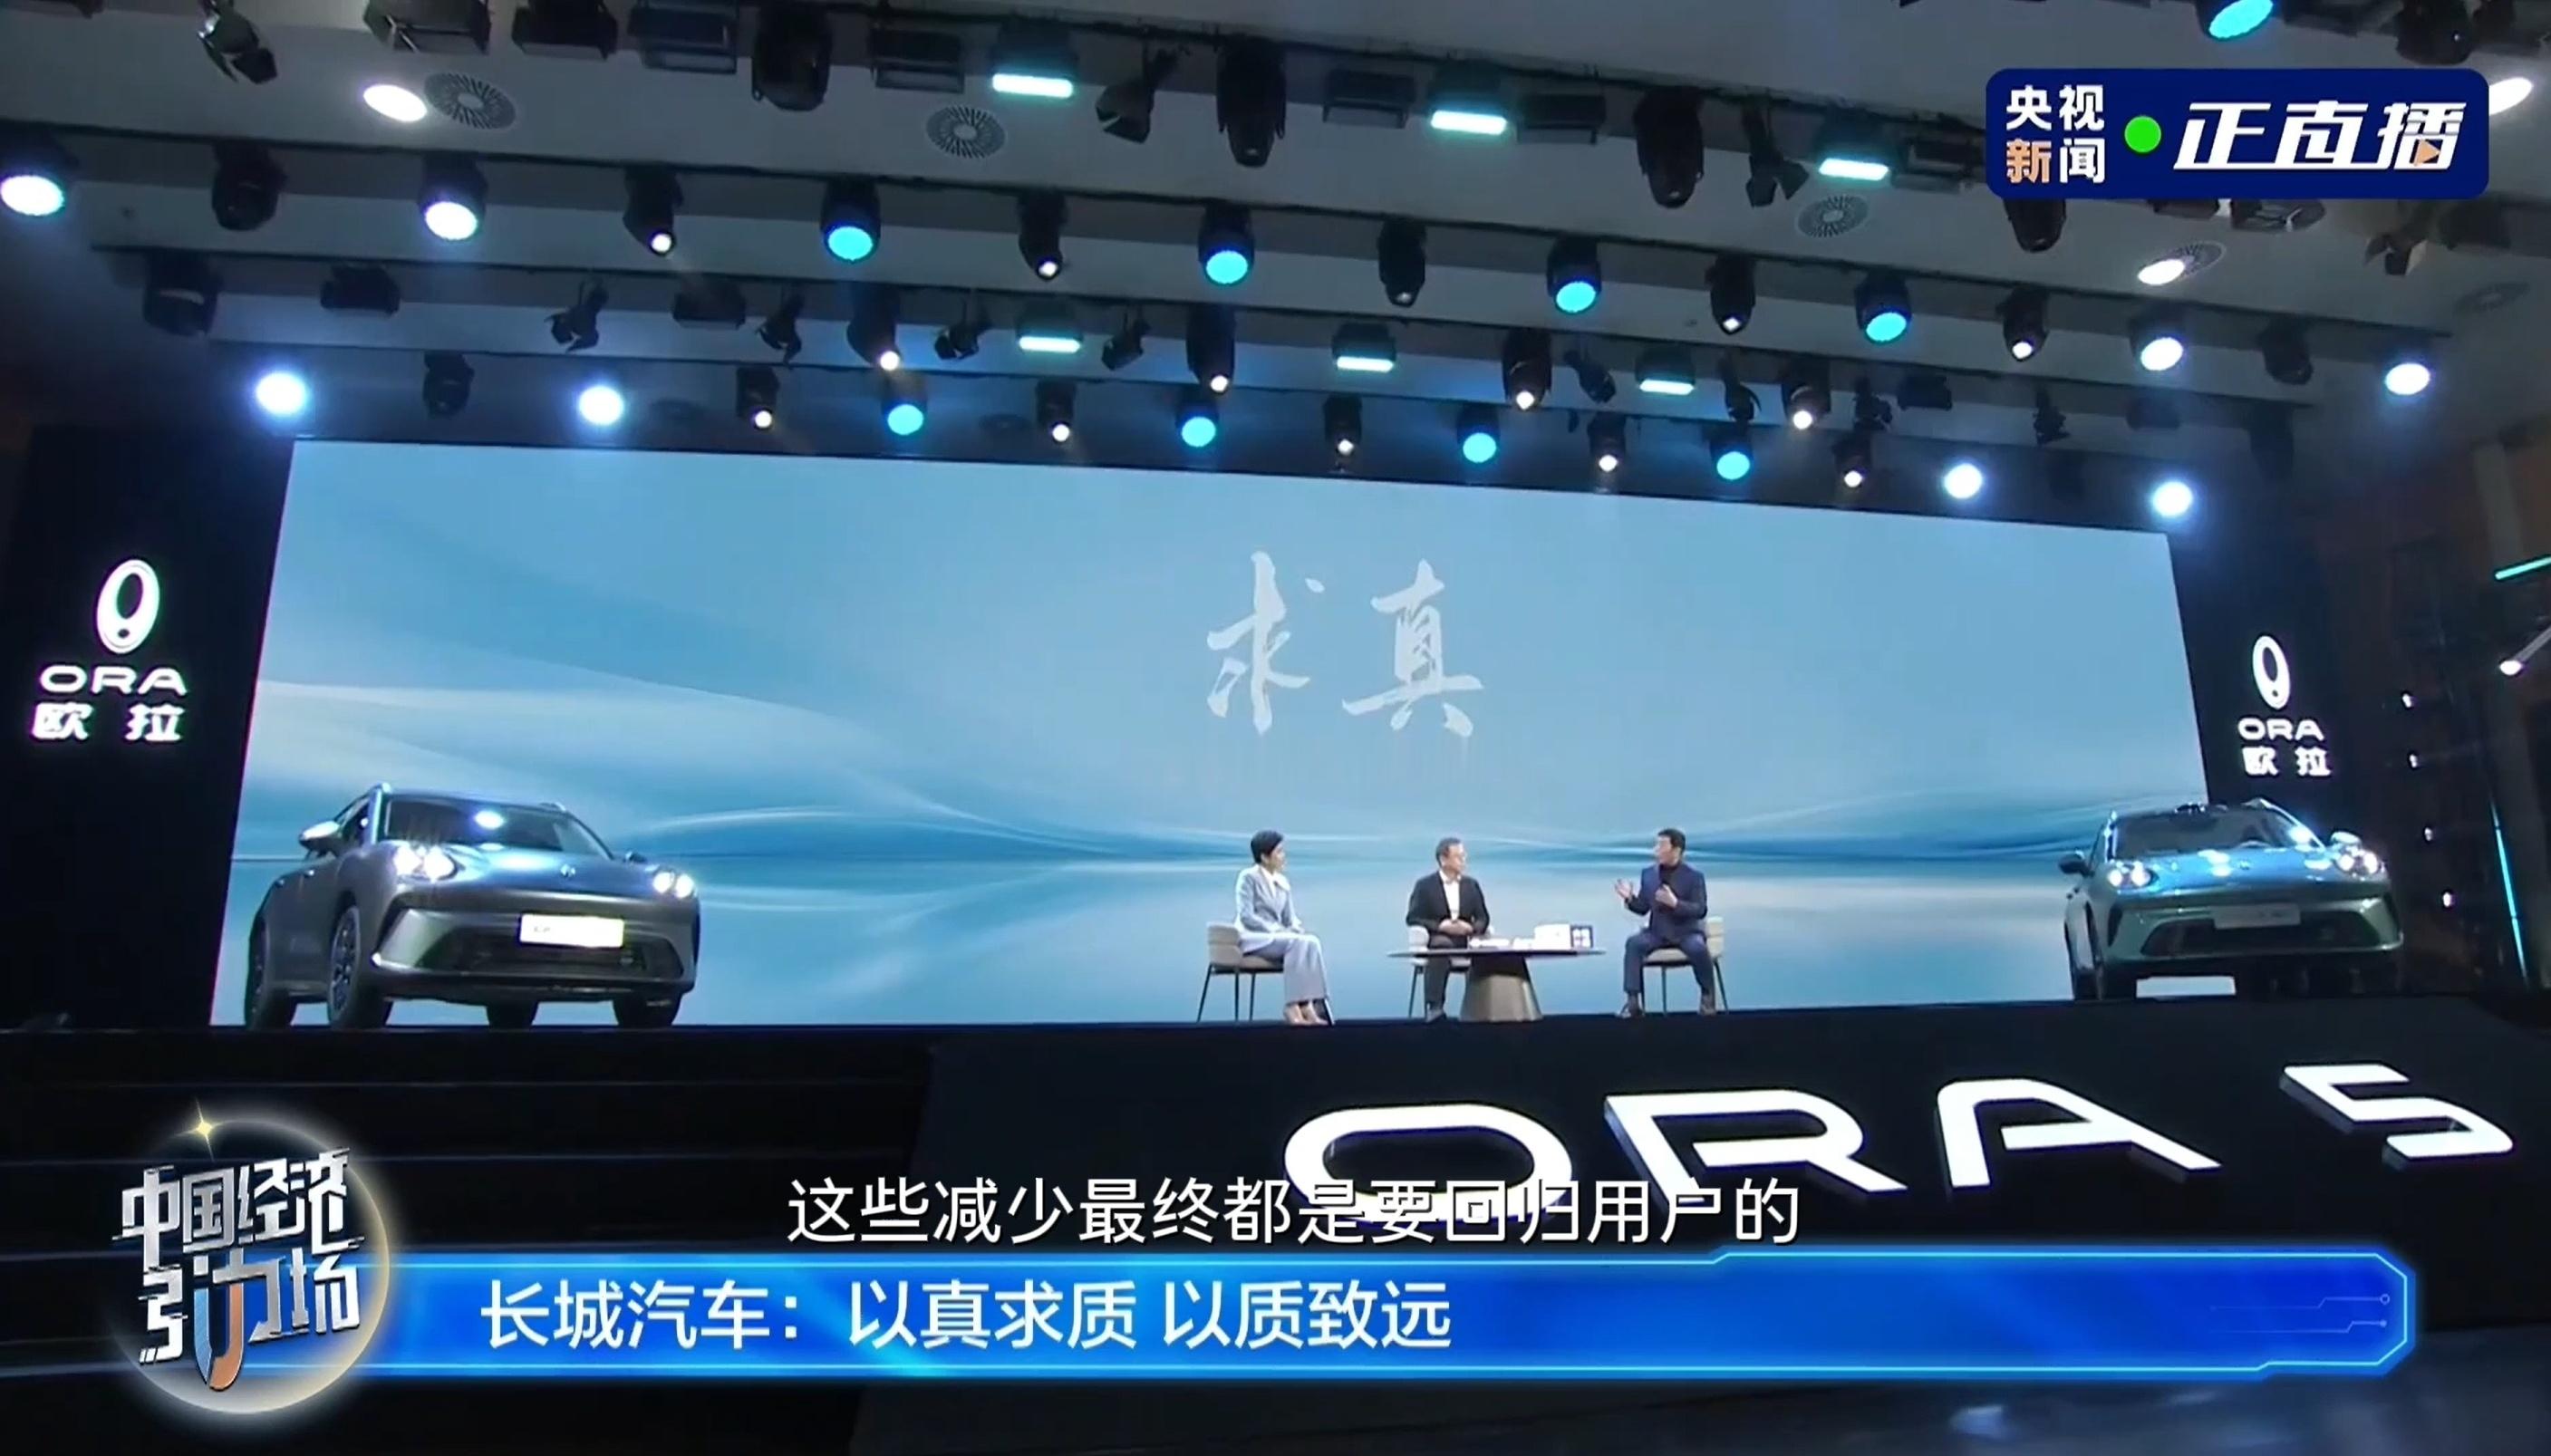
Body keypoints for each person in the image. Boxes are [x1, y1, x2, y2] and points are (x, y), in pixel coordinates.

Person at [1236, 830, 1333, 1026]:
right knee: (1295, 943)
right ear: (1265, 857)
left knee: (1311, 942)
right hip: (1254, 936)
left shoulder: (1282, 882)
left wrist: (1296, 928)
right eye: (1279, 852)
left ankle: (1309, 1005)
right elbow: (1247, 916)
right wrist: (1277, 930)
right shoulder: (1248, 878)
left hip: (1280, 937)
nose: (1283, 856)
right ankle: (1292, 1006)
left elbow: (1290, 918)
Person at [1617, 827, 1712, 1017]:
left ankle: (1707, 996)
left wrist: (1676, 904)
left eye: (1661, 846)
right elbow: (1643, 907)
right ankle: (1633, 1001)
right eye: (1656, 845)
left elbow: (1700, 910)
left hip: (1686, 932)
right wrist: (1629, 899)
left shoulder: (1694, 877)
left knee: (1698, 948)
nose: (1656, 850)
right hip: (1657, 933)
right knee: (1633, 944)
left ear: (1676, 850)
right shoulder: (1649, 875)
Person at [1405, 836, 1492, 1022]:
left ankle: (1483, 1008)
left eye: (1464, 856)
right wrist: (1440, 926)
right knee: (1441, 947)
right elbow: (1413, 917)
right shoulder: (1425, 886)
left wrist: (1470, 928)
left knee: (1487, 952)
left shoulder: (1471, 885)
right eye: (1459, 857)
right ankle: (1435, 1008)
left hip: (1466, 939)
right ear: (1443, 859)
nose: (1464, 860)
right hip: (1438, 939)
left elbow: (1483, 918)